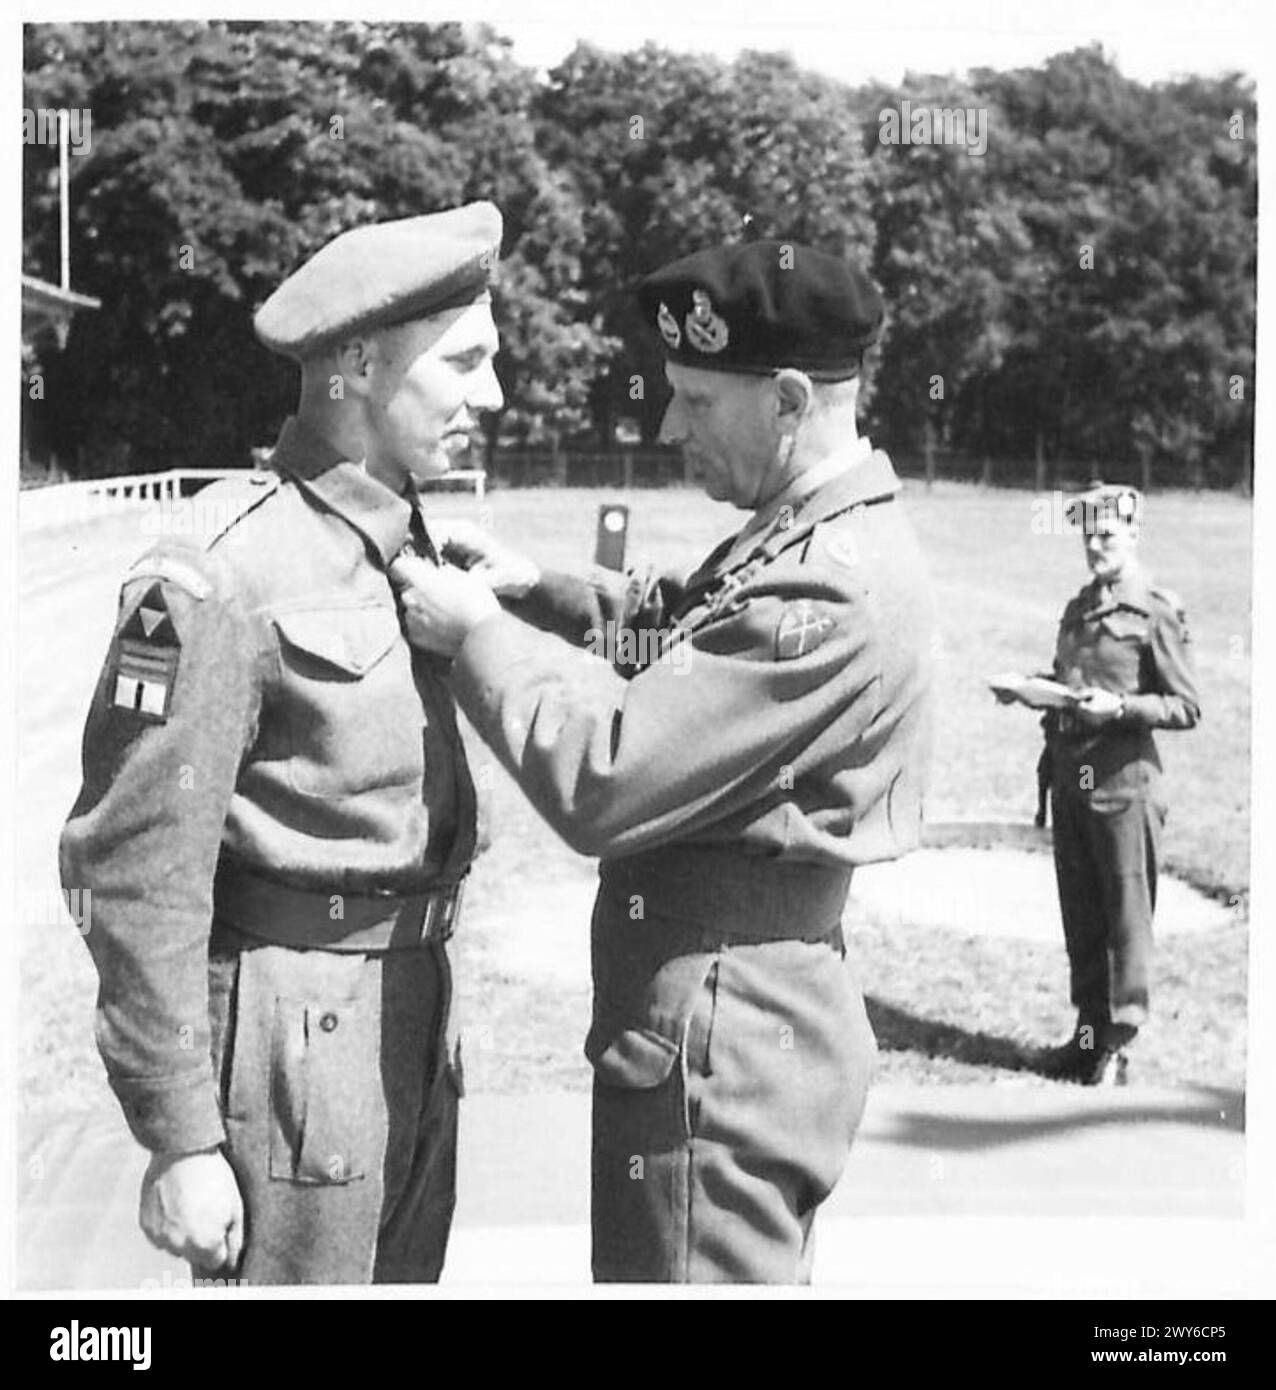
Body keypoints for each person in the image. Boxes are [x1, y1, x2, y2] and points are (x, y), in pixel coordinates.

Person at [392, 239, 935, 1283]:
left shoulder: (823, 590)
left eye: (693, 398)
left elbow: (604, 777)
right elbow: (696, 620)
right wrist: (535, 587)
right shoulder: (812, 536)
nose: (666, 425)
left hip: (720, 1056)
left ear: (784, 398)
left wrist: (471, 638)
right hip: (742, 1026)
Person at [58, 203, 505, 1283]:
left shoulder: (407, 551)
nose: (492, 394)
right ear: (357, 365)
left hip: (411, 1016)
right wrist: (179, 1136)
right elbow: (133, 871)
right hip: (290, 1048)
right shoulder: (211, 575)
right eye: (466, 362)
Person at [999, 483, 1200, 1084]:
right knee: (1082, 919)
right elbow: (1070, 680)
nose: (1094, 545)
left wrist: (1121, 708)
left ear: (1133, 534)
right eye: (1087, 534)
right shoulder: (1079, 607)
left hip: (1125, 788)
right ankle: (1085, 1038)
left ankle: (1116, 1046)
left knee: (1125, 922)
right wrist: (1028, 687)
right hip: (1073, 782)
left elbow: (1184, 706)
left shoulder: (1154, 611)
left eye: (1106, 534)